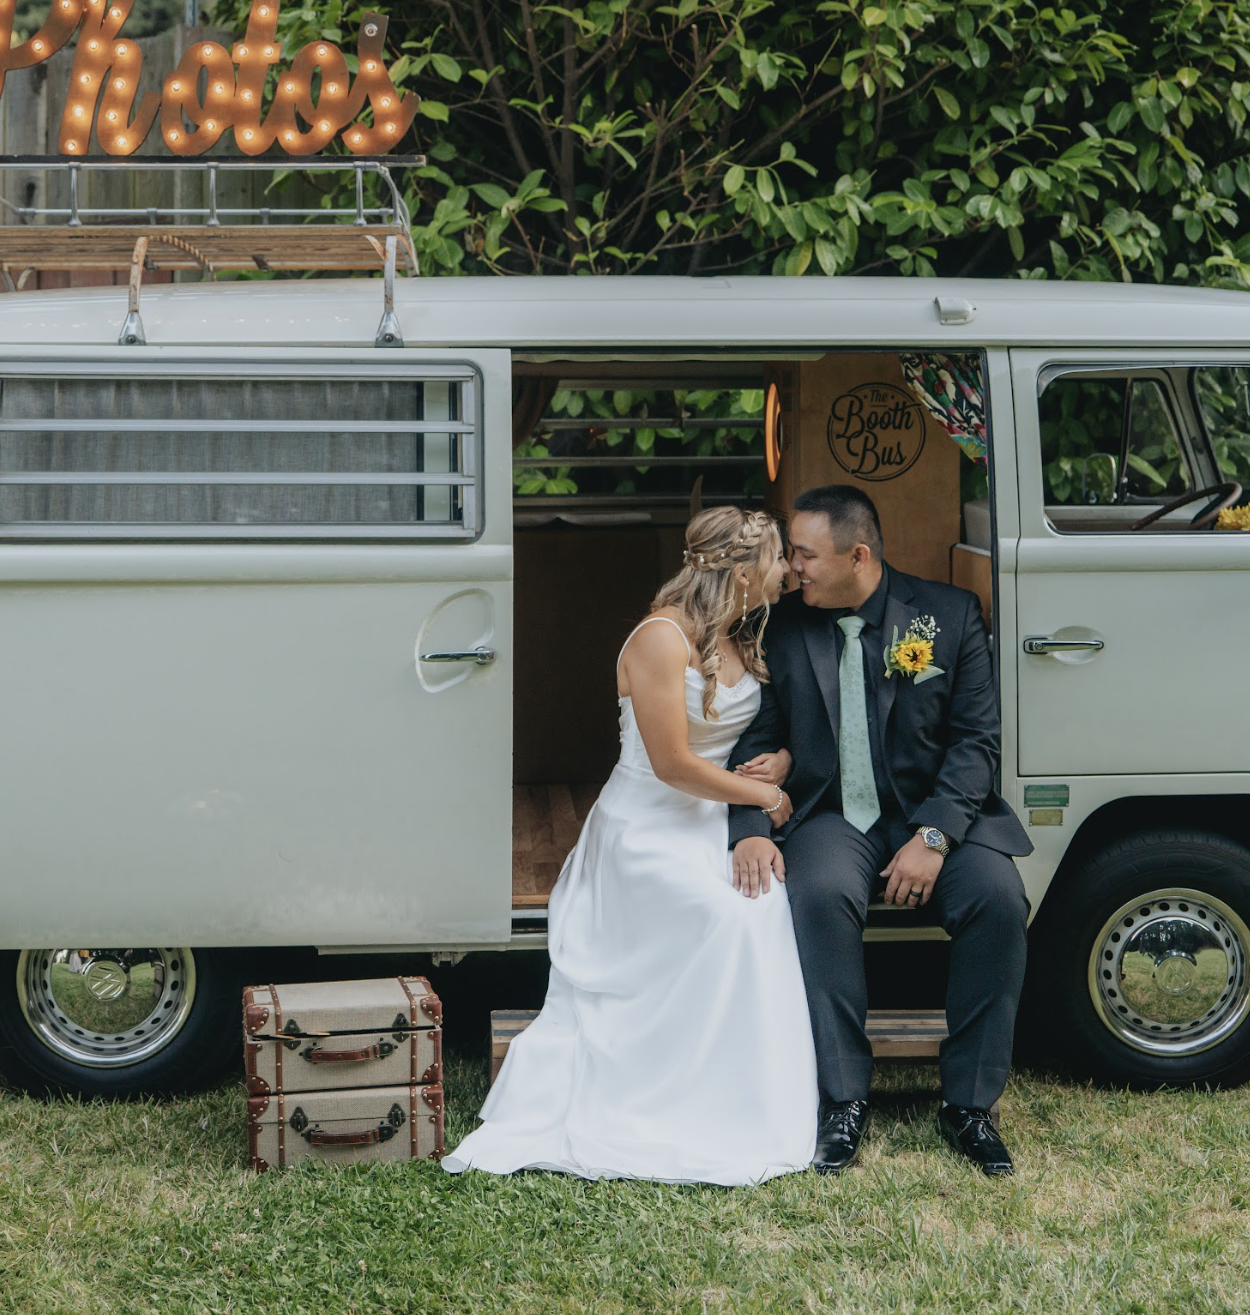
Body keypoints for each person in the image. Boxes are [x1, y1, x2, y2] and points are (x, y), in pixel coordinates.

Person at [442, 507, 817, 1185]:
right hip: (647, 828)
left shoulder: (740, 634)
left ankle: (733, 1098)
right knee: (722, 917)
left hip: (710, 821)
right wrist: (760, 796)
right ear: (739, 572)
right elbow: (672, 763)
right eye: (776, 559)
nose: (788, 570)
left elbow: (753, 733)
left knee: (761, 911)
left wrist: (781, 761)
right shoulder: (660, 639)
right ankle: (666, 1093)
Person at [726, 483, 1032, 1177]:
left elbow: (976, 742)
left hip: (936, 816)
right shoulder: (781, 627)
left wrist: (933, 838)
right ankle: (842, 1099)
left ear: (857, 555)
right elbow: (755, 739)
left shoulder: (949, 616)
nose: (791, 567)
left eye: (804, 554)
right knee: (819, 895)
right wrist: (750, 824)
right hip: (831, 814)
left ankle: (969, 1103)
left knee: (998, 900)